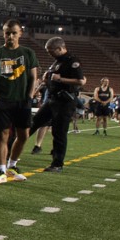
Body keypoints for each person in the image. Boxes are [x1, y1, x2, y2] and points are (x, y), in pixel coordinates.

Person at [0, 19, 40, 183]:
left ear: (20, 34)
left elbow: (33, 77)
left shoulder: (28, 53)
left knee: (24, 135)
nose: (10, 36)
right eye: (7, 33)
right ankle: (1, 171)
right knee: (3, 135)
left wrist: (29, 97)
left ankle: (12, 166)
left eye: (14, 33)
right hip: (4, 101)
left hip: (22, 101)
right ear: (3, 34)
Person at [30, 37, 86, 173]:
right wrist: (47, 78)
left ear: (60, 48)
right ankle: (10, 149)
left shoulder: (73, 61)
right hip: (52, 99)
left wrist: (60, 79)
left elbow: (80, 81)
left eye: (51, 51)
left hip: (65, 101)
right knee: (33, 123)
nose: (49, 53)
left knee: (59, 132)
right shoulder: (57, 61)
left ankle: (57, 163)